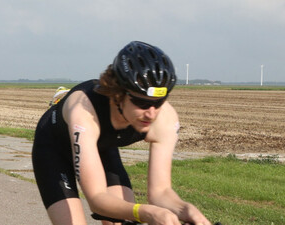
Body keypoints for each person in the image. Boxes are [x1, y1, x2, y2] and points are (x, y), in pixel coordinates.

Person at [32, 41, 211, 225]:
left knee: (123, 220)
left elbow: (160, 192)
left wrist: (186, 210)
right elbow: (97, 199)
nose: (151, 113)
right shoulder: (84, 111)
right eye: (141, 103)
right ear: (118, 94)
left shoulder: (164, 118)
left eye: (158, 102)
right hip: (55, 148)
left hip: (102, 146)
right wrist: (144, 212)